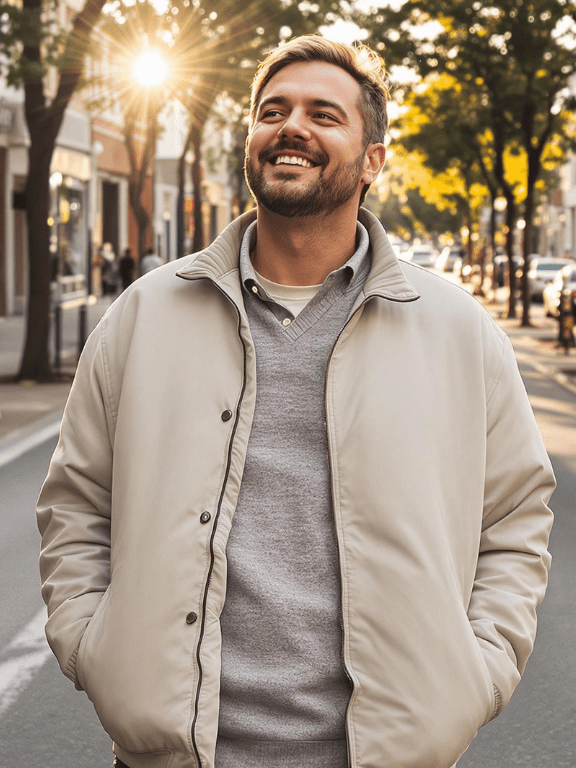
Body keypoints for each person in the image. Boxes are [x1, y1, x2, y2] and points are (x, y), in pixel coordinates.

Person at [37, 36, 555, 768]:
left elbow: (515, 517)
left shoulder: (459, 331)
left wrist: (479, 671)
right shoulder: (143, 315)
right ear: (251, 140)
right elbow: (76, 500)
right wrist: (92, 645)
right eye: (272, 110)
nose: (291, 127)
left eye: (323, 114)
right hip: (173, 754)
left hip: (388, 754)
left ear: (373, 158)